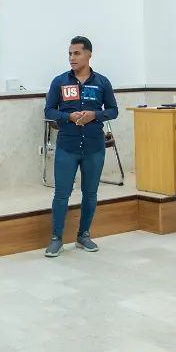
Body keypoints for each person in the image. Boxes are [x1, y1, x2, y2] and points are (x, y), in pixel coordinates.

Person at [43, 36, 117, 257]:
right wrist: (68, 116)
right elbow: (49, 110)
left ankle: (83, 235)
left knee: (90, 193)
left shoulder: (102, 82)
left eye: (76, 53)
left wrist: (95, 115)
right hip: (67, 146)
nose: (72, 58)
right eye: (70, 54)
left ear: (89, 54)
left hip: (94, 146)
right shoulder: (60, 81)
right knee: (62, 194)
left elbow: (113, 110)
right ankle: (56, 239)